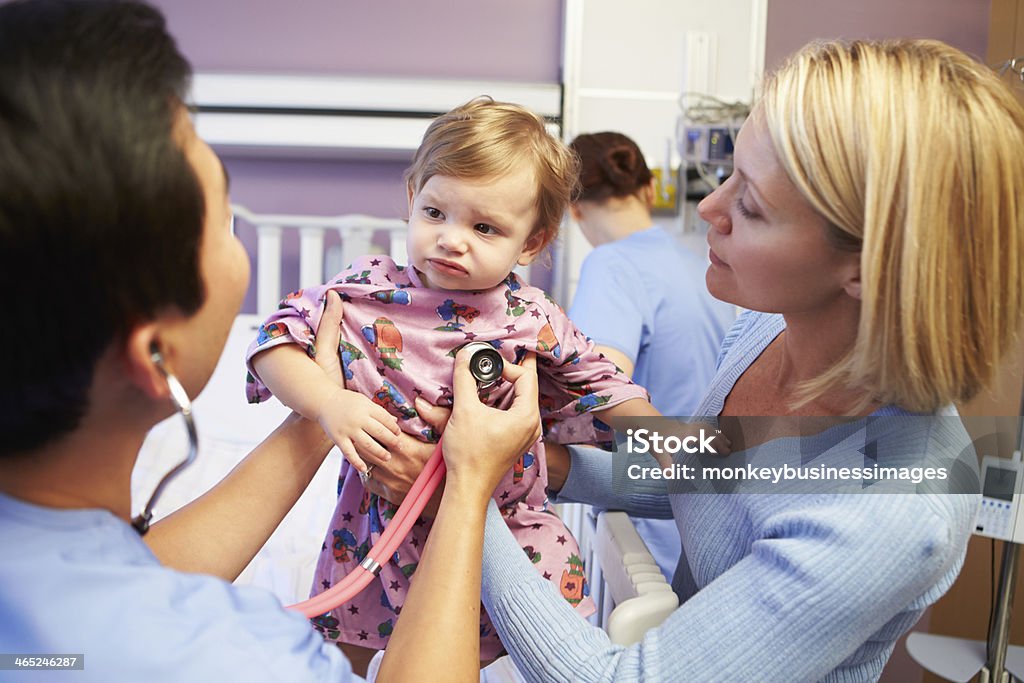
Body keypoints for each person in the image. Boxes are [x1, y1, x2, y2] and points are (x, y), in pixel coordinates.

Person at [371, 39, 1024, 681]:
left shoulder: (893, 513)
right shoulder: (770, 325)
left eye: (751, 204)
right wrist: (540, 460)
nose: (710, 208)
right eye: (728, 175)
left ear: (864, 265)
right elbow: (710, 472)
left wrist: (464, 494)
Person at [0, 2, 542, 681]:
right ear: (154, 355)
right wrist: (467, 481)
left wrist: (320, 413)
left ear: (534, 240)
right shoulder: (244, 657)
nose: (709, 208)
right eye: (226, 221)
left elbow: (104, 595)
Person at [244, 98, 670, 671]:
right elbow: (275, 341)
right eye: (435, 212)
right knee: (339, 656)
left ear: (531, 244)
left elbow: (607, 384)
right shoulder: (364, 290)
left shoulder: (531, 317)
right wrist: (327, 402)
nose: (451, 239)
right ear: (411, 201)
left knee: (480, 656)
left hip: (505, 527)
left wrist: (677, 449)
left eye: (484, 227)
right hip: (375, 528)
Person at [567, 131, 736, 578]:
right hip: (712, 505)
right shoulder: (701, 267)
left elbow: (594, 389)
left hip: (652, 516)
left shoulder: (610, 265)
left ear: (574, 208)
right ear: (647, 190)